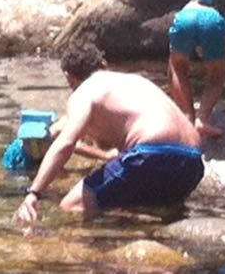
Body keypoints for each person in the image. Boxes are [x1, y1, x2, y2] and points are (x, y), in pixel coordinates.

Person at [13, 42, 203, 225]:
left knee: (70, 206)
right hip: (192, 163)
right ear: (103, 65)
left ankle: (94, 251)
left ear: (69, 76)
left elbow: (66, 143)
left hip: (151, 155)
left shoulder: (84, 91)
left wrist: (34, 193)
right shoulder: (134, 81)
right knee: (133, 204)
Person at [167, 0, 225, 138]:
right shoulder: (217, 18)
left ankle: (187, 116)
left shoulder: (185, 10)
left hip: (184, 19)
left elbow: (170, 73)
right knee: (216, 75)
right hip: (210, 22)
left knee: (178, 68)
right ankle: (202, 119)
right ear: (214, 6)